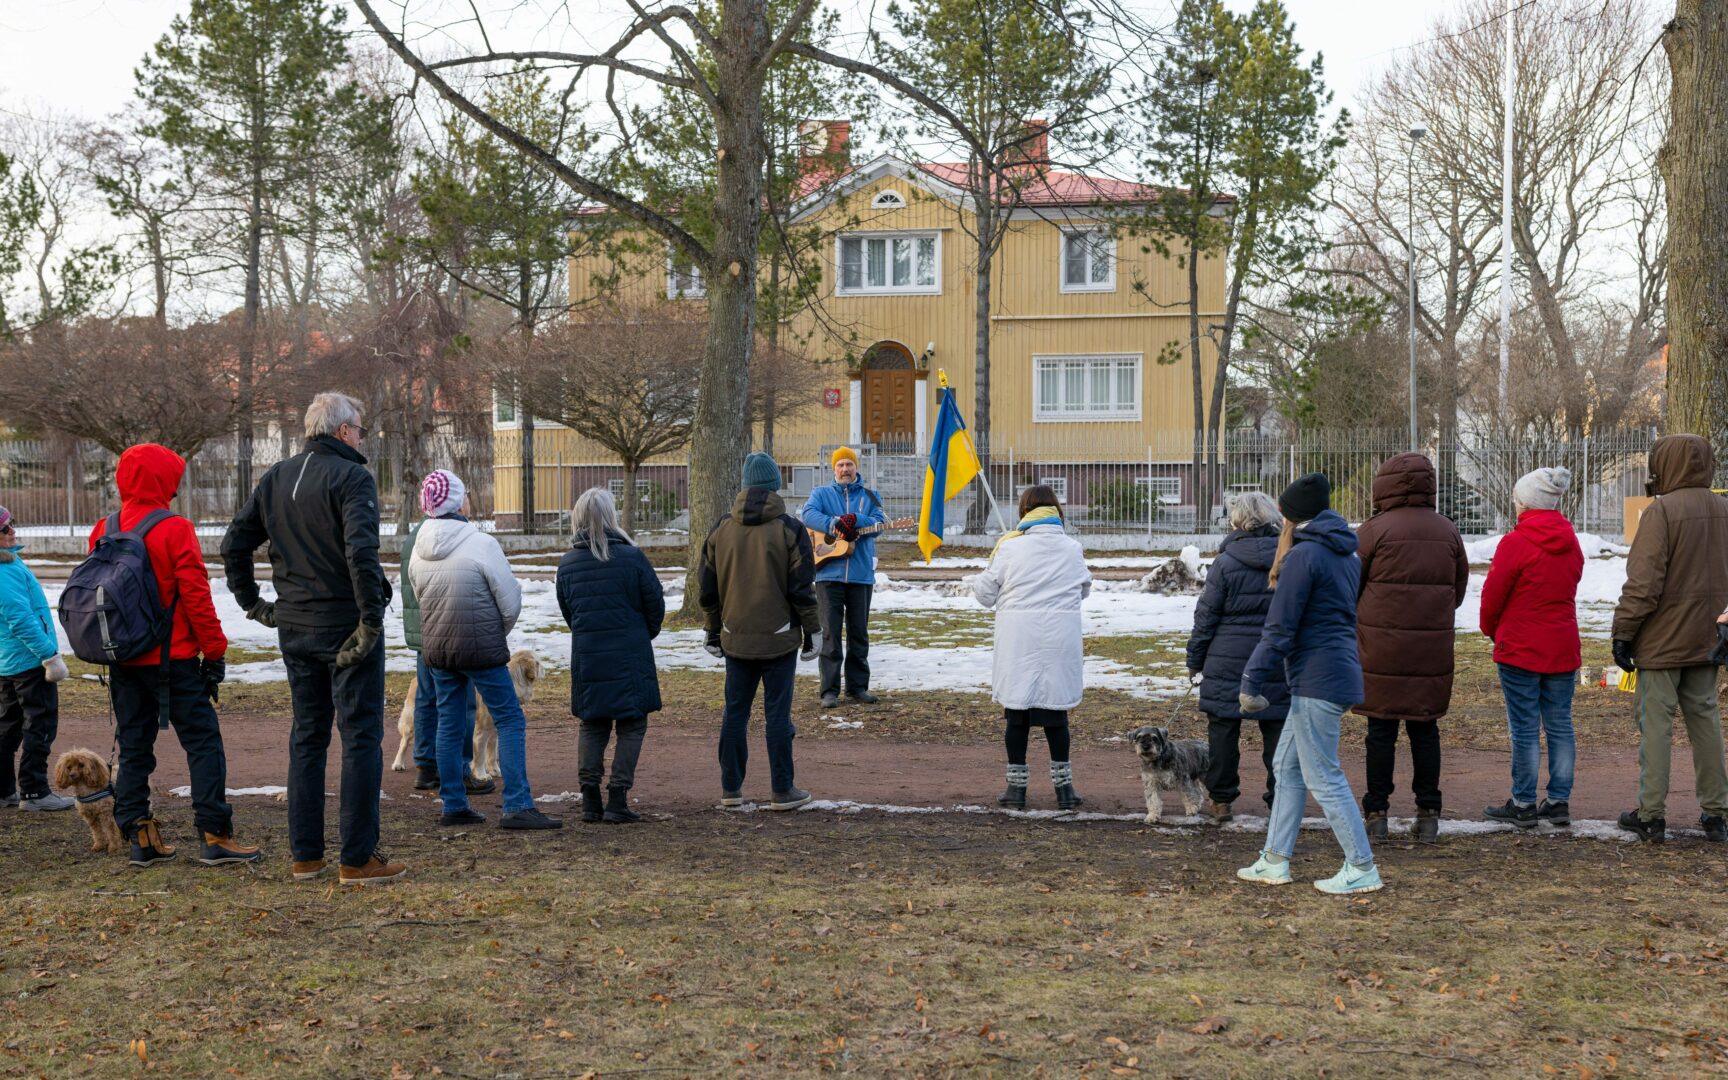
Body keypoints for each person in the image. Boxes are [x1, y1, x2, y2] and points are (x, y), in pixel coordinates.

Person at [222, 391, 401, 884]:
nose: (361, 437)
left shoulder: (276, 476)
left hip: (296, 627)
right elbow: (361, 553)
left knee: (308, 736)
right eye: (359, 429)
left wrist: (252, 603)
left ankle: (306, 856)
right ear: (343, 431)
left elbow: (233, 543)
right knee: (360, 738)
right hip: (345, 626)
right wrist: (370, 620)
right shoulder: (352, 477)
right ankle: (357, 858)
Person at [91, 445, 258, 866]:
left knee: (133, 748)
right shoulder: (174, 528)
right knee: (203, 744)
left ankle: (140, 836)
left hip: (123, 659)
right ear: (162, 480)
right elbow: (196, 596)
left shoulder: (104, 527)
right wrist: (214, 651)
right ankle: (215, 833)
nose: (177, 487)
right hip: (173, 660)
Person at [1238, 472, 1383, 895]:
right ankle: (1274, 860)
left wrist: (1251, 679)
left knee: (1323, 776)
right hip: (1332, 673)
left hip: (1318, 679)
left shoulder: (1303, 557)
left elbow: (1280, 627)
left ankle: (1362, 866)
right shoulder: (1345, 554)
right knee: (1287, 767)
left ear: (1290, 516)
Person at [410, 470, 560, 831]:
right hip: (480, 647)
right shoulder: (481, 543)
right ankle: (517, 804)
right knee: (509, 719)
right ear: (458, 502)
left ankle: (454, 803)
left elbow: (419, 595)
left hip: (439, 648)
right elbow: (509, 601)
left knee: (449, 723)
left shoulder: (418, 547)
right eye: (465, 495)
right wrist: (494, 631)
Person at [1610, 433, 1728, 843]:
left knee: (1656, 726)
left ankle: (1651, 815)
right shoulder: (1724, 509)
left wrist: (1623, 633)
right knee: (1706, 721)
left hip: (1662, 642)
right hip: (1709, 638)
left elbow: (1643, 585)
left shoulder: (1661, 512)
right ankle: (1717, 813)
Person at [1352, 453, 1469, 843]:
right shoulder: (1448, 530)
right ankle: (1428, 812)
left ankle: (1377, 812)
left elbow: (1351, 585)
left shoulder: (1373, 531)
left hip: (1380, 648)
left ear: (1384, 485)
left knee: (1380, 731)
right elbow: (1457, 590)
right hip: (1430, 649)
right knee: (1425, 729)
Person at [699, 451, 823, 810]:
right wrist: (813, 631)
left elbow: (707, 587)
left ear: (744, 484)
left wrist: (712, 629)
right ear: (775, 485)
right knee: (778, 716)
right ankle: (782, 789)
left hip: (735, 635)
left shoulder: (721, 528)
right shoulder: (790, 529)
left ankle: (730, 789)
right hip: (779, 638)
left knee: (735, 714)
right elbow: (802, 588)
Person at [971, 485, 1092, 811]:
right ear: (1056, 512)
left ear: (1024, 511)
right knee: (1056, 715)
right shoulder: (1072, 548)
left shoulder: (1009, 547)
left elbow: (985, 595)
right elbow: (1083, 589)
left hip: (1019, 642)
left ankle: (1016, 789)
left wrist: (993, 561)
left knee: (1017, 716)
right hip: (1059, 640)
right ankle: (1065, 790)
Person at [1478, 467, 1584, 829]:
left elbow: (1493, 595)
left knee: (1524, 728)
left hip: (1520, 647)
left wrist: (1492, 629)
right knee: (1560, 724)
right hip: (1562, 645)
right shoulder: (1572, 543)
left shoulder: (1515, 543)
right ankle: (1558, 802)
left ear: (1525, 503)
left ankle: (1523, 802)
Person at [556, 487, 665, 824]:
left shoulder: (567, 564)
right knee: (632, 723)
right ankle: (617, 797)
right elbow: (655, 606)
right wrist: (640, 634)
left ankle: (590, 799)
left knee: (593, 724)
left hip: (588, 655)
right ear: (611, 516)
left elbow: (570, 613)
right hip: (631, 653)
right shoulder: (633, 558)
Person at [1185, 492, 1288, 824]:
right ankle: (1281, 801)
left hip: (1227, 658)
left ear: (1237, 521)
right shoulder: (1289, 558)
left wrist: (1195, 660)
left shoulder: (1225, 562)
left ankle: (1221, 800)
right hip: (1275, 657)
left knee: (1223, 730)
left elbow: (1206, 616)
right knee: (1277, 731)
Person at [400, 509, 484, 797]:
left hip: (423, 632)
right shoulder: (458, 536)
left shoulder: (414, 537)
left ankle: (425, 767)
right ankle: (460, 768)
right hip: (453, 629)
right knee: (463, 702)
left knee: (426, 699)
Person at [800, 446, 888, 708]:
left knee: (859, 633)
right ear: (834, 469)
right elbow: (808, 515)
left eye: (849, 464)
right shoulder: (821, 493)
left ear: (856, 467)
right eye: (840, 465)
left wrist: (856, 519)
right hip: (828, 574)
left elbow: (880, 523)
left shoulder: (870, 496)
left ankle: (857, 687)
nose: (845, 469)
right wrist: (835, 523)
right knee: (830, 633)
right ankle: (829, 690)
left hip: (861, 575)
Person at [0, 505, 74, 812]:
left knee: (8, 726)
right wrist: (49, 656)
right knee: (39, 725)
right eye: (5, 528)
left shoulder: (9, 561)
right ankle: (34, 792)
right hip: (29, 662)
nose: (12, 531)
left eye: (11, 524)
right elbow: (21, 621)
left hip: (8, 661)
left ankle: (4, 790)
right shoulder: (4, 571)